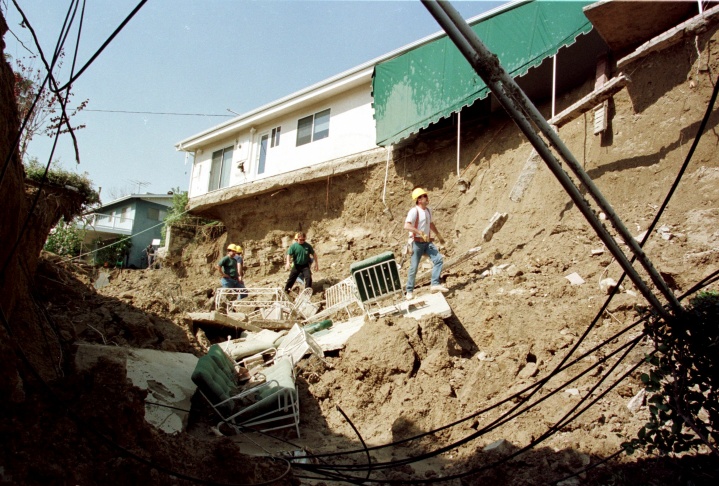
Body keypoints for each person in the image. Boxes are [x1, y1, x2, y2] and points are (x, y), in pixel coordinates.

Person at [404, 187, 448, 300]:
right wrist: (419, 232)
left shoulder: (428, 210)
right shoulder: (414, 211)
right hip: (417, 243)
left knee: (438, 260)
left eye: (426, 196)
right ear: (419, 200)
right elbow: (407, 226)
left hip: (427, 242)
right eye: (424, 196)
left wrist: (438, 235)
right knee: (414, 268)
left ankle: (434, 284)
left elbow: (431, 224)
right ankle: (409, 291)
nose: (426, 198)